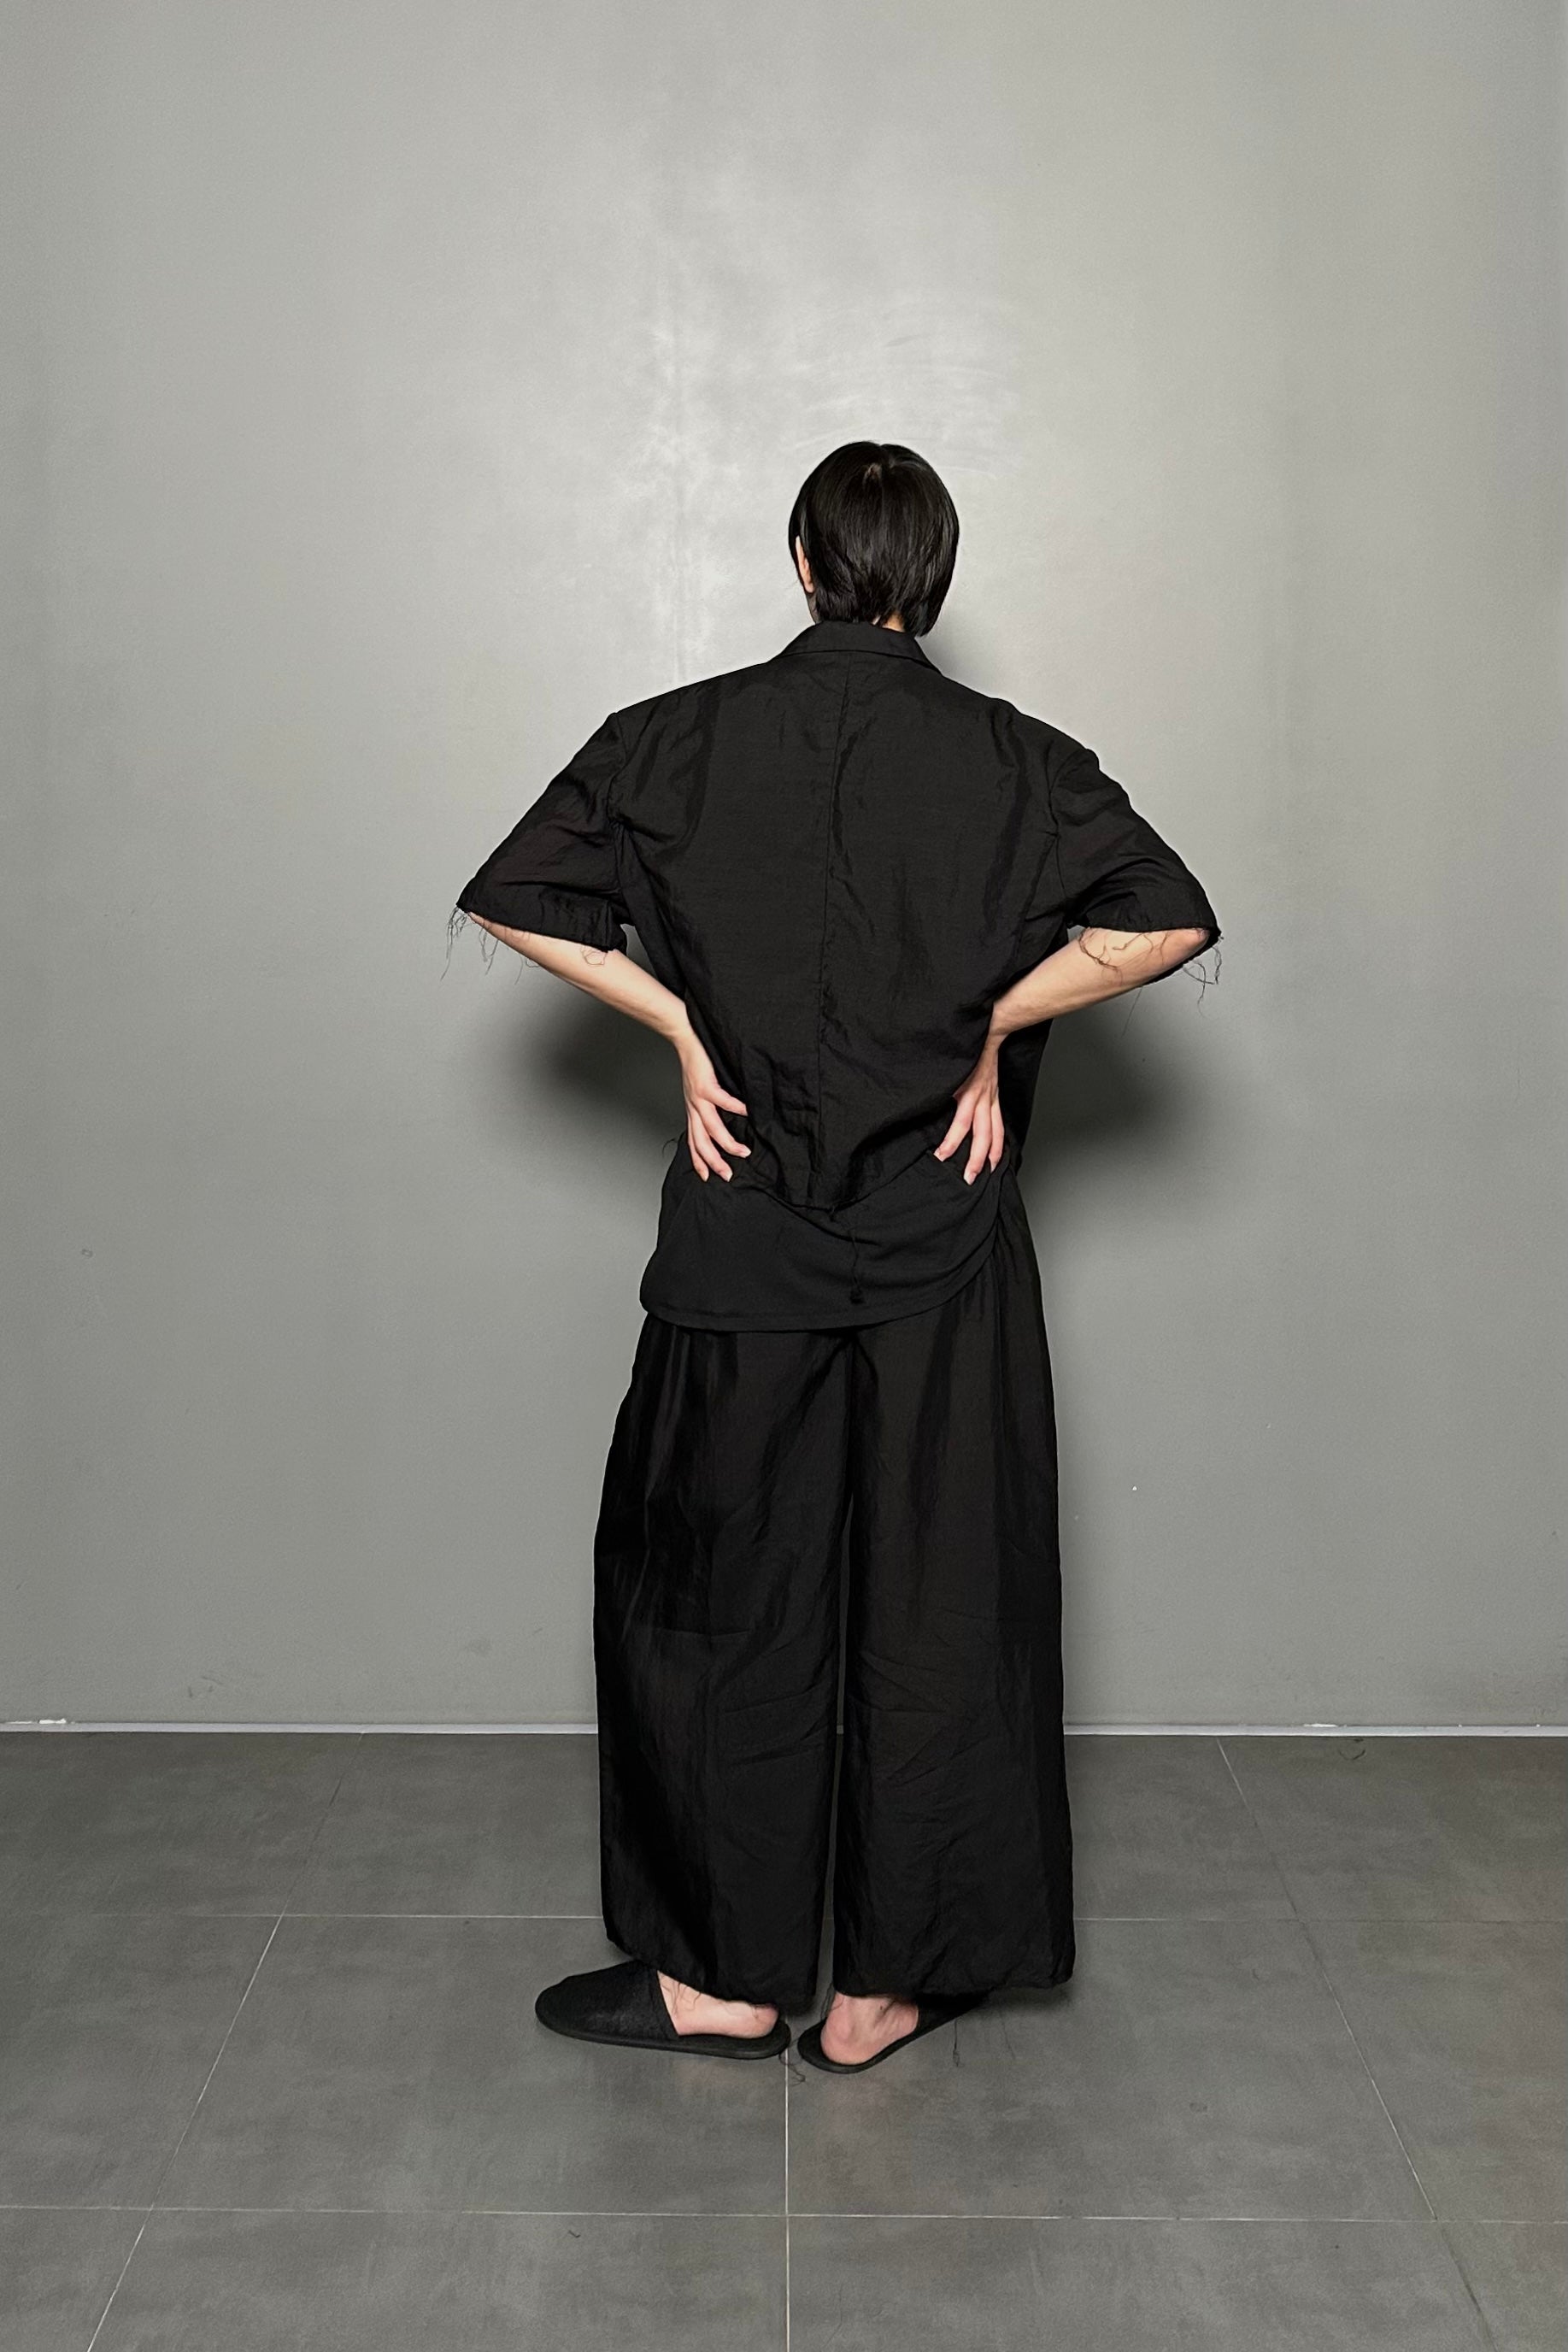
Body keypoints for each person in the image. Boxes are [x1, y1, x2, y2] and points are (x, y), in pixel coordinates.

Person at [454, 441, 1219, 2072]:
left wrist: (683, 1028)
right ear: (932, 575)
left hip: (743, 1230)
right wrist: (989, 1026)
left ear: (803, 562)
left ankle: (722, 1984)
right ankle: (882, 1996)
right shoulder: (1017, 760)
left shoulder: (670, 739)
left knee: (719, 1594)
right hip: (944, 1230)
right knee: (948, 1601)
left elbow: (516, 891)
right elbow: (1166, 920)